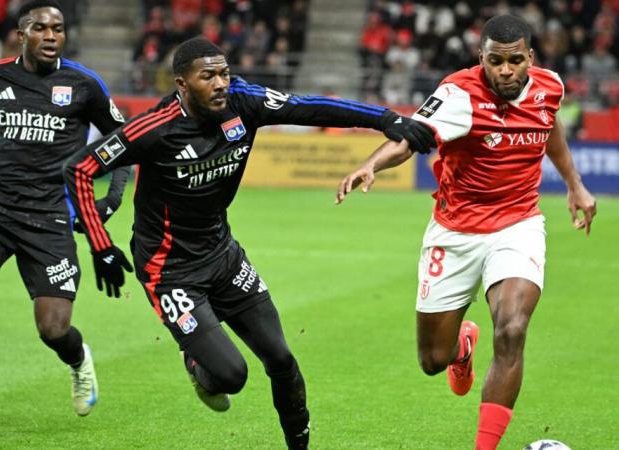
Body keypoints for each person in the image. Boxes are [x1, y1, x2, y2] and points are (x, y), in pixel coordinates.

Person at [63, 36, 435, 449]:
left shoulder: (244, 100)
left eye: (224, 72)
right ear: (182, 84)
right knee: (231, 377)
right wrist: (100, 244)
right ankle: (196, 357)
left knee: (281, 358)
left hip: (223, 255)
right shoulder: (154, 129)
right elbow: (79, 168)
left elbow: (307, 106)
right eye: (208, 76)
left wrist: (386, 119)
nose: (221, 83)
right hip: (169, 271)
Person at [335, 14, 597, 450]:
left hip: (518, 224)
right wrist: (371, 163)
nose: (506, 70)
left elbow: (550, 127)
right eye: (496, 61)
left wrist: (574, 183)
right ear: (482, 58)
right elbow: (411, 136)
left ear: (529, 58)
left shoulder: (549, 87)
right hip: (454, 232)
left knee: (512, 328)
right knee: (432, 361)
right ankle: (461, 348)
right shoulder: (458, 93)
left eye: (515, 60)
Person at [0, 0, 130, 436]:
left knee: (53, 329)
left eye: (58, 29)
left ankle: (77, 358)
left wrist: (113, 198)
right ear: (22, 34)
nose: (51, 36)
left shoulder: (83, 84)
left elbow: (124, 141)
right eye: (41, 28)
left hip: (51, 215)